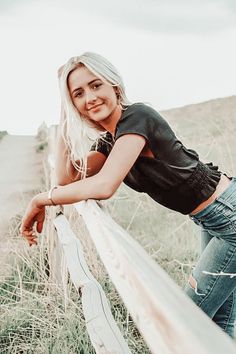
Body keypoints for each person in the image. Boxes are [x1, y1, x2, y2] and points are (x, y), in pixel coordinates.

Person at [20, 52, 236, 338]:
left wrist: (40, 199)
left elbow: (104, 186)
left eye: (96, 85)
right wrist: (63, 108)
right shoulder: (110, 140)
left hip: (228, 217)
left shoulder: (138, 117)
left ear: (115, 87)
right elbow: (67, 177)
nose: (90, 97)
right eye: (78, 94)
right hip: (214, 219)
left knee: (187, 323)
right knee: (218, 323)